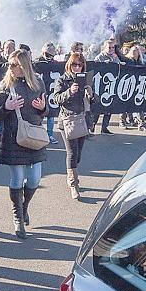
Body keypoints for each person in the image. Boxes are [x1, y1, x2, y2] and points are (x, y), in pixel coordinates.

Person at [0, 50, 48, 239]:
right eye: (9, 64)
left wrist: (43, 109)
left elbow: (45, 110)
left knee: (34, 179)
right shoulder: (6, 84)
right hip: (13, 137)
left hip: (34, 137)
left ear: (25, 65)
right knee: (17, 179)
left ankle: (24, 208)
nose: (11, 68)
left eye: (15, 64)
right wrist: (7, 108)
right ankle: (18, 217)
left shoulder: (38, 82)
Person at [53, 53, 94, 199]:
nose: (77, 67)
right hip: (67, 120)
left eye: (80, 64)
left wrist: (91, 94)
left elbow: (94, 102)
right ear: (69, 65)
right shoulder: (63, 80)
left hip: (82, 119)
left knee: (78, 155)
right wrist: (69, 91)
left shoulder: (86, 79)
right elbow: (56, 99)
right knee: (71, 152)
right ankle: (73, 184)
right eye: (74, 64)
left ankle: (71, 172)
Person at [92, 39, 121, 135]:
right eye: (109, 47)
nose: (112, 49)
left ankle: (104, 127)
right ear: (104, 48)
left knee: (109, 108)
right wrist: (105, 65)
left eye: (113, 47)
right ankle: (92, 126)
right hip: (100, 87)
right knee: (97, 108)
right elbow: (95, 69)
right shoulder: (99, 57)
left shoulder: (115, 57)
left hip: (111, 87)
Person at [34, 42, 58, 144]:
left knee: (50, 114)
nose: (50, 57)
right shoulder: (36, 62)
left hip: (51, 92)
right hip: (38, 92)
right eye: (48, 54)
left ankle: (50, 134)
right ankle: (37, 135)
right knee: (37, 115)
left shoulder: (55, 63)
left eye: (52, 55)